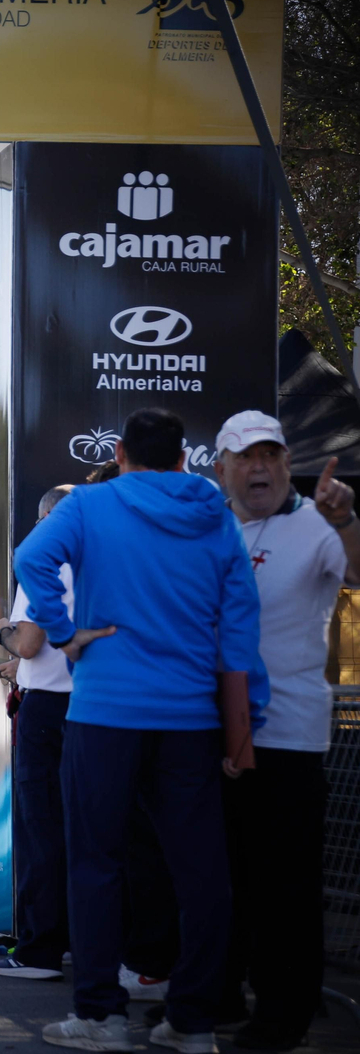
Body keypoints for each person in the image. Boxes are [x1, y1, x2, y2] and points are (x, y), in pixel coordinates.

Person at [15, 408, 265, 1053]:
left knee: (96, 862)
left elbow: (31, 557)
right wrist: (246, 721)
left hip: (106, 714)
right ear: (184, 457)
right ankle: (192, 1022)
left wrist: (66, 634)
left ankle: (101, 1016)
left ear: (120, 451)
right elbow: (240, 621)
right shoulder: (214, 513)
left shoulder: (90, 506)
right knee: (200, 871)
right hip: (190, 718)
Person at [211, 411, 360, 1052]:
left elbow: (358, 572)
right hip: (209, 736)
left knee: (285, 890)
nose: (260, 467)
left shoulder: (317, 524)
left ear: (286, 459)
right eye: (246, 457)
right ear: (222, 467)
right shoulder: (210, 527)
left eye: (270, 455)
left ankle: (283, 1018)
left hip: (289, 736)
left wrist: (347, 521)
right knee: (225, 882)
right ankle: (219, 1001)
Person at [0, 484, 75, 981]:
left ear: (45, 520)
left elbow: (31, 640)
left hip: (50, 712)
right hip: (91, 706)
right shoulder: (102, 556)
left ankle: (40, 948)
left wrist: (2, 631)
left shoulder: (44, 559)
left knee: (42, 830)